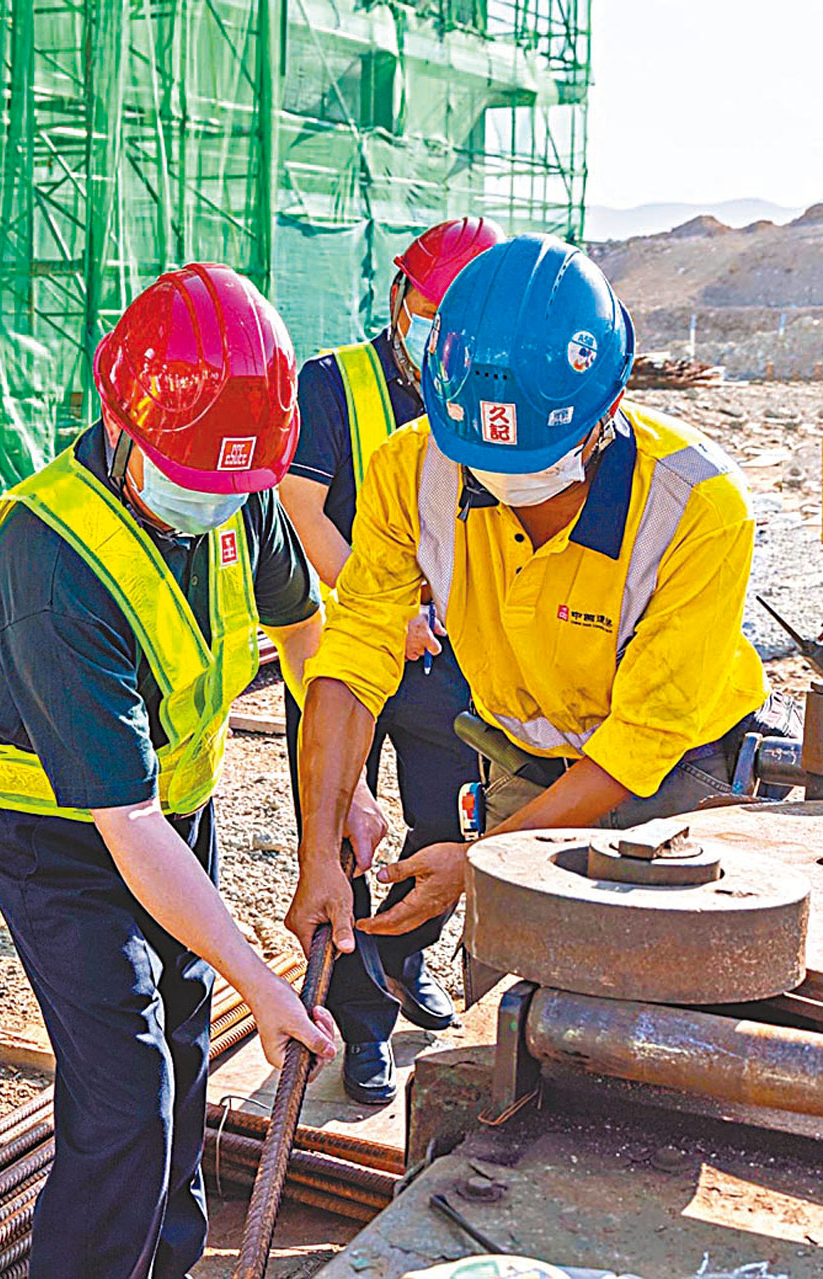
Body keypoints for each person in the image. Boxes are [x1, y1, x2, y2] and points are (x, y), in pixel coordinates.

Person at [0, 264, 384, 1279]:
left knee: (186, 1046)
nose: (210, 506)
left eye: (231, 488)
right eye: (191, 480)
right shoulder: (48, 556)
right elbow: (123, 824)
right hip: (59, 839)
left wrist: (342, 796)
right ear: (121, 420)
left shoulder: (236, 491)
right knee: (125, 1092)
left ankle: (169, 1259)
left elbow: (307, 637)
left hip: (173, 816)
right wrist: (265, 982)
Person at [285, 233, 802, 999]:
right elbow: (354, 654)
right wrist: (317, 852)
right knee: (511, 1005)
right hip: (524, 760)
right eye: (482, 460)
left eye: (532, 462)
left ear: (611, 405)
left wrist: (477, 860)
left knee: (661, 1002)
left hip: (674, 780)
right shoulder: (412, 466)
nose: (501, 479)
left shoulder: (696, 505)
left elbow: (640, 741)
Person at [279, 217, 504, 1105]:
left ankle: (406, 960)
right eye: (424, 303)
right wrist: (384, 606)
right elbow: (300, 504)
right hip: (346, 644)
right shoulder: (336, 383)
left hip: (447, 664)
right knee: (337, 831)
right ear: (398, 298)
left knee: (450, 824)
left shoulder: (491, 392)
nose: (433, 325)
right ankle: (363, 1027)